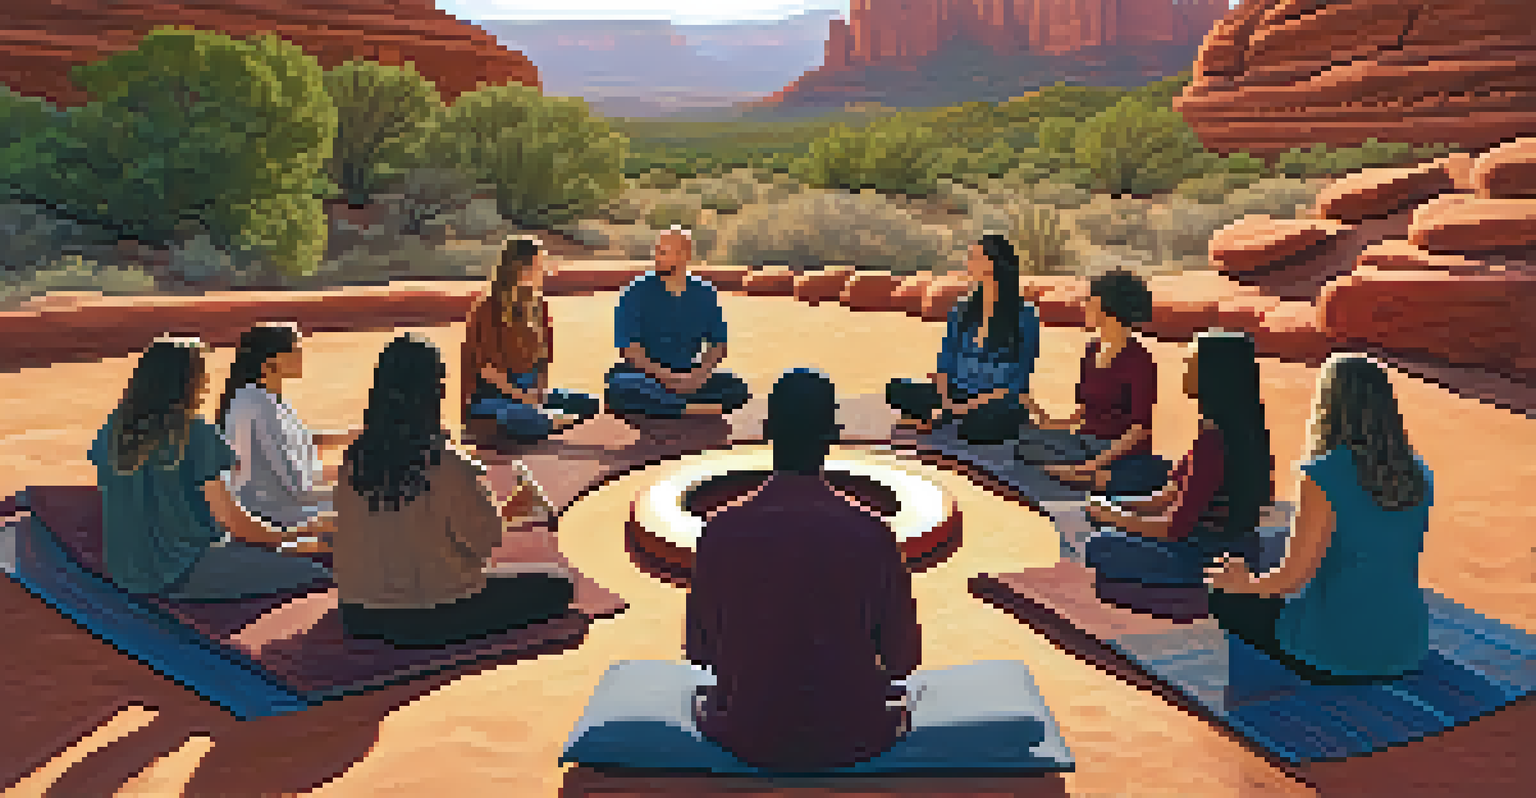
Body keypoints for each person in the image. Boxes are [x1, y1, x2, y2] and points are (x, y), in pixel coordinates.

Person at [687, 368, 921, 771]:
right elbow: (903, 659)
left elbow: (700, 650)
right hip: (856, 736)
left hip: (747, 734)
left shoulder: (719, 531)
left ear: (766, 430)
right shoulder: (872, 533)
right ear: (833, 435)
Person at [332, 334, 622, 647]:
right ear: (437, 390)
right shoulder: (445, 462)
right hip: (428, 613)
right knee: (558, 584)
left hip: (356, 611)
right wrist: (512, 510)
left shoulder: (355, 457)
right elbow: (483, 543)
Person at [1206, 354, 1432, 683]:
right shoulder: (1420, 473)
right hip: (1407, 646)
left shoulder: (1322, 474)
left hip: (1335, 650)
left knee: (1223, 596)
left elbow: (1292, 580)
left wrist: (1242, 583)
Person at [89, 337, 332, 600]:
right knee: (319, 573)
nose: (205, 385)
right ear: (188, 382)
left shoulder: (111, 431)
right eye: (202, 376)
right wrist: (296, 534)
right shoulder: (195, 433)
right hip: (187, 571)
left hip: (129, 572)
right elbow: (234, 522)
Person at [1081, 330, 1274, 588]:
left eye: (1192, 361)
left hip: (1202, 556)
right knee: (1105, 513)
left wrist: (1116, 519)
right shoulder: (1235, 430)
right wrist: (1117, 506)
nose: (1185, 367)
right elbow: (1171, 495)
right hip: (1233, 546)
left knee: (1100, 546)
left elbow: (1174, 528)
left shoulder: (1214, 442)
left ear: (1211, 373)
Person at [1018, 270, 1170, 497]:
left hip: (1118, 451)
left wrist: (1094, 463)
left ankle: (1087, 475)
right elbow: (1082, 413)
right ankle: (1082, 476)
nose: (1084, 305)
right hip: (1084, 444)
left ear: (1107, 306)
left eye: (1089, 299)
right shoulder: (1091, 351)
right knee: (1025, 439)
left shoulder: (1139, 361)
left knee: (1150, 470)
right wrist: (1045, 419)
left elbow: (1140, 431)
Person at [886, 234, 1041, 444]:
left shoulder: (1025, 315)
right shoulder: (962, 309)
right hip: (956, 392)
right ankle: (949, 418)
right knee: (896, 389)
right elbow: (945, 362)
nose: (968, 263)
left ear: (993, 264)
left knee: (981, 424)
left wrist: (965, 407)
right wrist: (947, 401)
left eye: (974, 258)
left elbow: (1018, 381)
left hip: (996, 400)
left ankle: (946, 420)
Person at [216, 322, 357, 546]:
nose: (302, 355)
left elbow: (299, 441)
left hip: (286, 507)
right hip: (276, 517)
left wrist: (356, 435)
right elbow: (296, 488)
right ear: (272, 361)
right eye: (295, 349)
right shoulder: (258, 405)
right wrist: (352, 494)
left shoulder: (264, 399)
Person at [462, 236, 600, 444]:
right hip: (494, 397)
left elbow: (542, 362)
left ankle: (553, 420)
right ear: (520, 269)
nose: (544, 271)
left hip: (531, 393)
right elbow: (487, 371)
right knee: (528, 418)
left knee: (590, 404)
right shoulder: (487, 309)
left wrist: (539, 394)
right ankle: (548, 421)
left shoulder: (539, 307)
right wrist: (524, 398)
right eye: (539, 266)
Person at [605, 226, 751, 419]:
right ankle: (690, 408)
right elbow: (630, 351)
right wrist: (668, 379)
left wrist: (698, 377)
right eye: (656, 251)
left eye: (663, 252)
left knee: (736, 387)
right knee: (620, 386)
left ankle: (671, 407)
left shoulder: (705, 293)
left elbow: (718, 345)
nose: (657, 257)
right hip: (647, 375)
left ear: (684, 255)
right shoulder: (635, 292)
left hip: (689, 373)